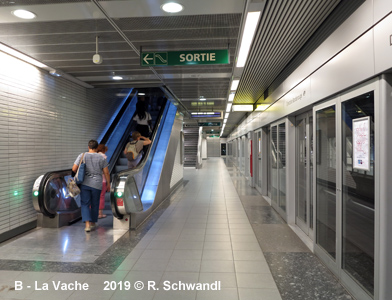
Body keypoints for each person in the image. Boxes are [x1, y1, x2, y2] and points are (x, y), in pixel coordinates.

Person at [72, 140, 110, 232]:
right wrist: (108, 183)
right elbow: (106, 172)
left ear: (88, 147)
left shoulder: (82, 155)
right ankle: (93, 222)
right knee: (95, 203)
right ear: (97, 148)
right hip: (97, 184)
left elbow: (74, 168)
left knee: (85, 203)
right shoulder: (101, 158)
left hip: (84, 183)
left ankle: (87, 225)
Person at [96, 144, 108, 219]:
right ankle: (100, 213)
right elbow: (105, 171)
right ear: (103, 150)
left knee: (94, 196)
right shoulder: (103, 157)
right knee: (101, 196)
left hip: (93, 180)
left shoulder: (93, 156)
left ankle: (94, 213)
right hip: (102, 180)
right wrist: (108, 181)